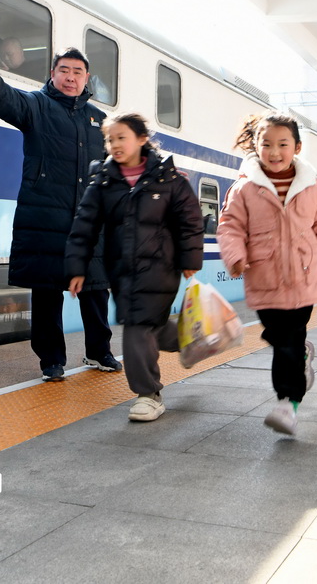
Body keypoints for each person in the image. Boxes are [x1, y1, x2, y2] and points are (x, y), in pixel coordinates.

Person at [0, 47, 120, 382]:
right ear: (53, 74)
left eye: (77, 72)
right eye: (64, 70)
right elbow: (14, 104)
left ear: (86, 78)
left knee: (96, 290)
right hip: (46, 218)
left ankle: (100, 352)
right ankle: (51, 361)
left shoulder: (99, 120)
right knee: (47, 292)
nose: (70, 77)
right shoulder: (38, 105)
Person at [65, 113, 204, 422]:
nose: (114, 144)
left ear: (142, 139)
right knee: (151, 326)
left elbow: (190, 221)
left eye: (121, 137)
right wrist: (77, 268)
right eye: (109, 139)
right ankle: (192, 338)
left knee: (136, 328)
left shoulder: (169, 179)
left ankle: (148, 394)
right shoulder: (102, 180)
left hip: (161, 267)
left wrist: (189, 260)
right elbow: (84, 226)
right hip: (121, 270)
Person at [217, 113, 317, 436]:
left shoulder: (311, 186)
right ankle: (300, 357)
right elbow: (230, 226)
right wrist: (234, 255)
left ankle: (288, 403)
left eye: (283, 144)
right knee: (278, 337)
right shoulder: (244, 189)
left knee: (287, 338)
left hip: (304, 275)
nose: (275, 152)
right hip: (264, 276)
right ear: (256, 147)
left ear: (297, 147)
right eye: (267, 144)